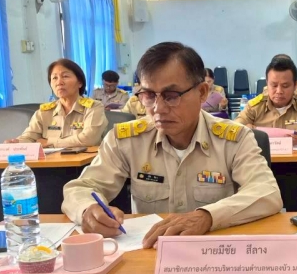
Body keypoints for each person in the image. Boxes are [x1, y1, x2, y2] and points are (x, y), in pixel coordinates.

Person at [62, 42, 283, 247]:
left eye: (171, 95)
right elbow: (80, 188)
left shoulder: (234, 138)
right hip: (151, 253)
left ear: (202, 92)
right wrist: (87, 210)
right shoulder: (125, 139)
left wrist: (207, 217)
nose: (158, 108)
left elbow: (267, 193)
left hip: (216, 253)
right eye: (149, 95)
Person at [6, 58, 106, 147]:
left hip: (86, 161)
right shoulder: (44, 112)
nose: (59, 82)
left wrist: (50, 142)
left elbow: (89, 139)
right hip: (51, 161)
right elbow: (30, 137)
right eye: (54, 78)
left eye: (65, 76)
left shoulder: (94, 107)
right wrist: (17, 143)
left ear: (80, 83)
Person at [236, 55, 297, 145]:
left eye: (285, 86)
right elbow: (234, 128)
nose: (279, 91)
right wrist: (246, 129)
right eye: (274, 85)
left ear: (295, 85)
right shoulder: (254, 107)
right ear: (267, 84)